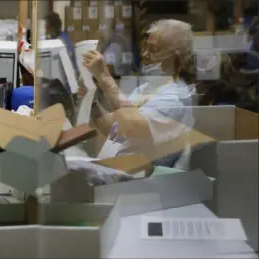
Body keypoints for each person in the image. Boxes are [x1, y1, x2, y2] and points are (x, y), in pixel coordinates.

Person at [80, 19, 196, 167]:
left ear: (175, 57)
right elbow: (115, 128)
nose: (145, 54)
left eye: (153, 50)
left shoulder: (176, 98)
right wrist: (91, 101)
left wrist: (104, 77)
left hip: (146, 181)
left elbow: (132, 127)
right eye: (145, 48)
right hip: (123, 171)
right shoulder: (146, 89)